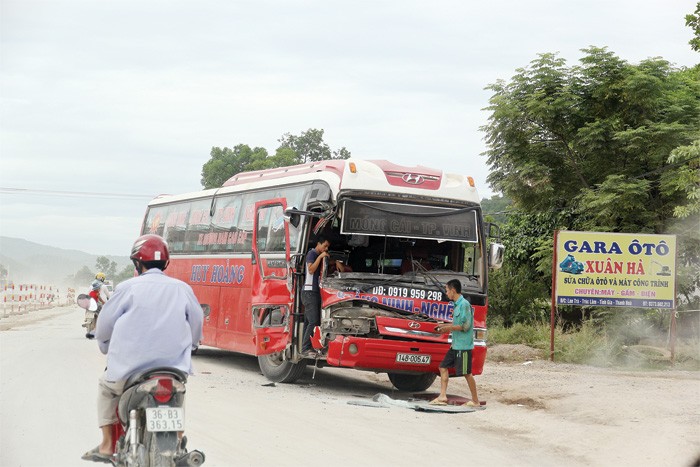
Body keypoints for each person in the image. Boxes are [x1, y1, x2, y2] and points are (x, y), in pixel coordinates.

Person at [81, 234, 203, 463]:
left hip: (129, 372)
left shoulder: (127, 288)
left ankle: (107, 445)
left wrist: (104, 345)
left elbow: (105, 326)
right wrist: (194, 343)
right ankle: (177, 442)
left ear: (137, 262)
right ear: (165, 263)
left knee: (106, 388)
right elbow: (196, 322)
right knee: (177, 394)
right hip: (173, 370)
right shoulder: (182, 289)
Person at [430, 278, 480, 407]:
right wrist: (443, 325)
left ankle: (475, 401)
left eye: (447, 290)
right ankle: (442, 397)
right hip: (455, 345)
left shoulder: (464, 305)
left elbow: (465, 326)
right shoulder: (457, 304)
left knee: (467, 373)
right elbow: (456, 323)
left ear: (453, 291)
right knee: (443, 367)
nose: (446, 293)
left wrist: (447, 328)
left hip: (463, 346)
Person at [300, 235, 333, 356]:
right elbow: (310, 270)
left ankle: (305, 348)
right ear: (318, 244)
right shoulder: (312, 254)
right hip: (309, 293)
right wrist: (320, 257)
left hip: (313, 292)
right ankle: (305, 348)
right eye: (325, 246)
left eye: (327, 247)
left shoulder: (318, 255)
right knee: (314, 321)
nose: (326, 249)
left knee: (309, 321)